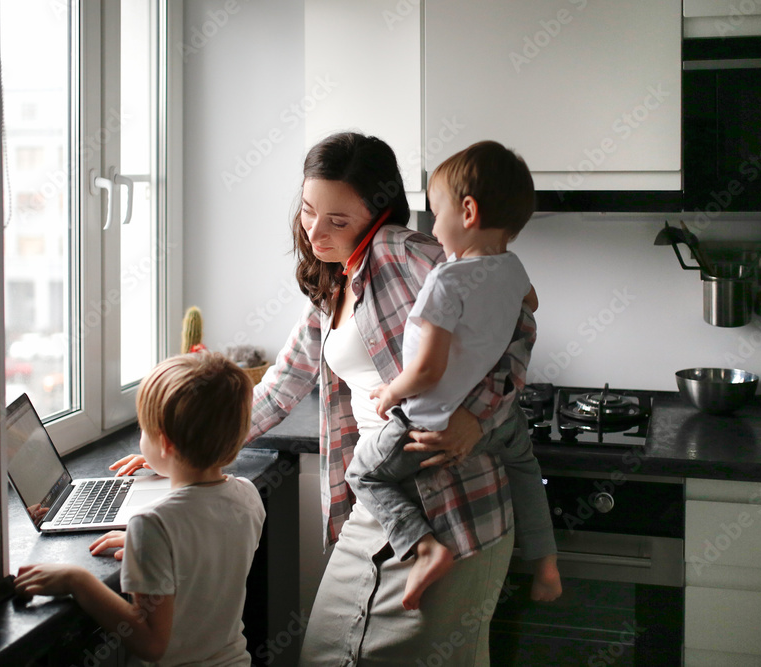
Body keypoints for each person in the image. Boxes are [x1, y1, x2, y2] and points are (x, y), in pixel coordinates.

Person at [113, 132, 549, 665]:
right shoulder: (335, 286)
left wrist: (478, 421)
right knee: (324, 652)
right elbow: (280, 384)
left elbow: (517, 318)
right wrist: (179, 445)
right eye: (307, 211)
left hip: (453, 505)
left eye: (338, 221)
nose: (316, 231)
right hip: (381, 500)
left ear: (378, 216)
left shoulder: (402, 250)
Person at [346, 140, 561, 611]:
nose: (431, 226)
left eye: (435, 212)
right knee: (526, 470)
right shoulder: (513, 268)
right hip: (497, 423)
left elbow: (427, 370)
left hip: (430, 423)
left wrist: (390, 391)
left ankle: (425, 549)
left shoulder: (445, 280)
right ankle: (546, 563)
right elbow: (532, 307)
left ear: (467, 212)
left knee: (363, 474)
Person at [15, 353, 265, 667]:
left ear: (166, 444)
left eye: (143, 429)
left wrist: (78, 580)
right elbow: (204, 549)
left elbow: (151, 643)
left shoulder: (152, 525)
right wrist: (148, 548)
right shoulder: (248, 496)